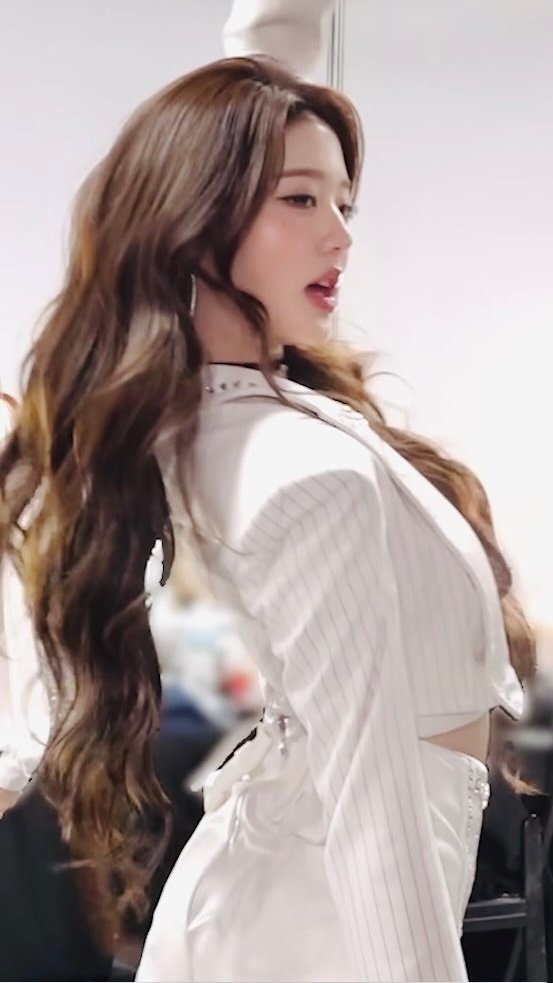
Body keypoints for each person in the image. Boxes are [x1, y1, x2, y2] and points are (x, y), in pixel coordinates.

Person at [0, 1, 536, 980]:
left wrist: (275, 56)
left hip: (292, 890)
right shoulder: (300, 472)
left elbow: (247, 105)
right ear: (195, 217)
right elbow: (371, 810)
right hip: (312, 926)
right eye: (301, 200)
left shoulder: (234, 416)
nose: (340, 235)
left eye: (344, 204)